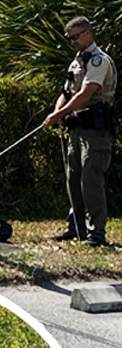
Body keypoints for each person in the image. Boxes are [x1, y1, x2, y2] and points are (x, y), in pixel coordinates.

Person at [45, 17, 117, 246]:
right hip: (77, 128)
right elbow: (67, 91)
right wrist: (57, 112)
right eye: (70, 38)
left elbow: (86, 94)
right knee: (73, 178)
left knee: (90, 179)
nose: (73, 41)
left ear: (88, 33)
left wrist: (59, 114)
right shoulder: (76, 62)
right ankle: (75, 227)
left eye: (76, 37)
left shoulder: (99, 61)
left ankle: (97, 234)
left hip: (96, 131)